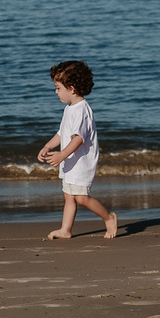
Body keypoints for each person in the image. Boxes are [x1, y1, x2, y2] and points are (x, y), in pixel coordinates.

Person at [37, 60, 118, 239]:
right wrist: (48, 146)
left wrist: (61, 155)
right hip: (70, 161)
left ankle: (109, 217)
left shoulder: (82, 110)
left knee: (81, 198)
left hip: (81, 162)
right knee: (69, 196)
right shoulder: (70, 109)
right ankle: (66, 229)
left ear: (71, 88)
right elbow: (62, 132)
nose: (55, 91)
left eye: (58, 88)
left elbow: (78, 138)